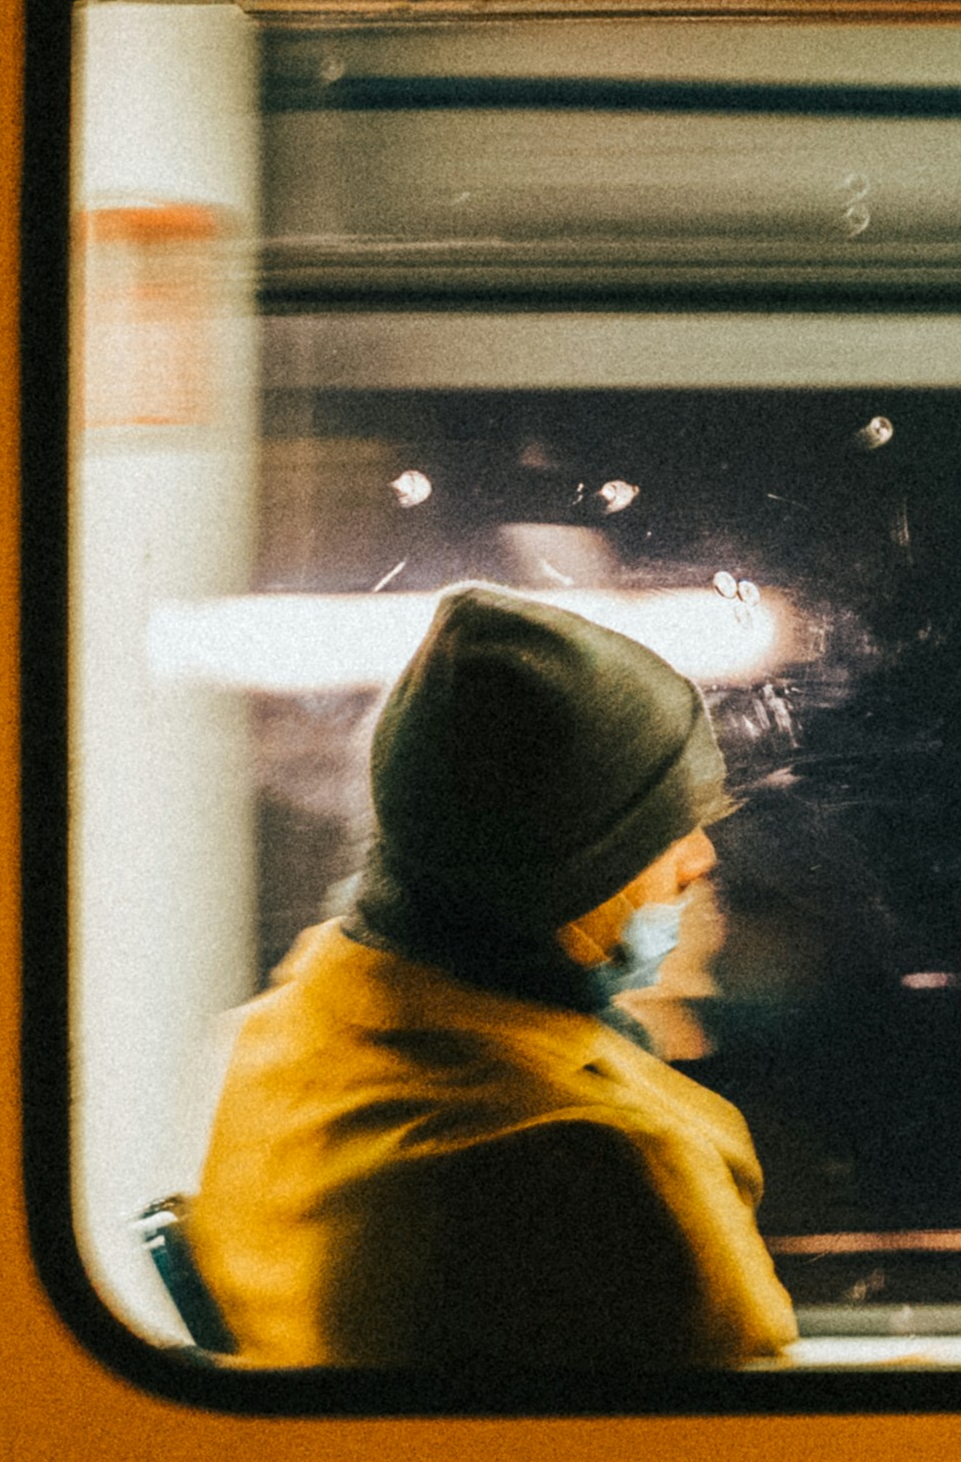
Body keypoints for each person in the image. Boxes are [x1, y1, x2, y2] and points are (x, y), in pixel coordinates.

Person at [185, 586, 798, 1371]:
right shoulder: (594, 1169)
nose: (699, 859)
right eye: (661, 829)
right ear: (564, 869)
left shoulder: (279, 1037)